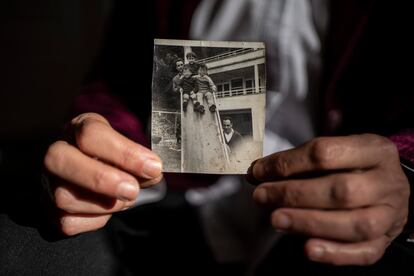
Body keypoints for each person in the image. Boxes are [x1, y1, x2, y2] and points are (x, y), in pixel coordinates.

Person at [2, 1, 414, 275]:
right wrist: (102, 138)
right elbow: (118, 82)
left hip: (338, 215)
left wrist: (407, 175)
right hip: (172, 200)